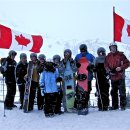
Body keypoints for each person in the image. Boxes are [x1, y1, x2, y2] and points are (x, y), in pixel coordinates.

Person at [104, 42, 129, 110]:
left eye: (114, 47)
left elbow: (127, 63)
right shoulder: (108, 56)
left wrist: (121, 67)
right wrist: (109, 71)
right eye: (112, 47)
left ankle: (123, 106)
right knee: (113, 92)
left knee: (122, 92)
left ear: (116, 48)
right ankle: (115, 106)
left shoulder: (121, 55)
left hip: (120, 76)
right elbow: (105, 65)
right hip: (113, 77)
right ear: (110, 48)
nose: (113, 49)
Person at [75, 44, 95, 113]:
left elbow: (94, 63)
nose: (83, 51)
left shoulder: (90, 56)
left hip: (88, 77)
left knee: (87, 91)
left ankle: (85, 105)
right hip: (80, 78)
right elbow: (74, 65)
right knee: (79, 92)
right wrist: (76, 66)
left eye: (84, 49)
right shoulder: (78, 56)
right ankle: (80, 104)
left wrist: (91, 66)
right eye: (81, 50)